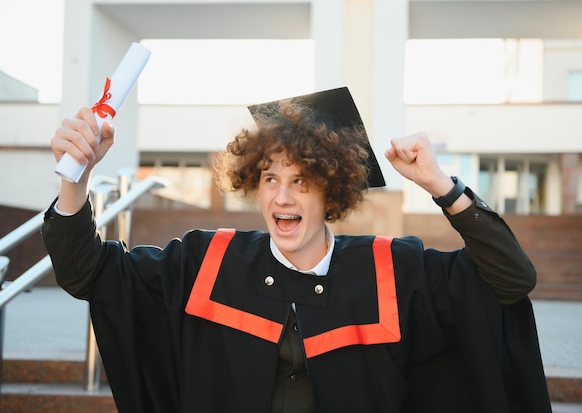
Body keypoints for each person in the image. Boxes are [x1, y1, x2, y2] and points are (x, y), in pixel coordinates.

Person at [42, 87, 552, 413]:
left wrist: (442, 185)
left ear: (332, 191)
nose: (282, 197)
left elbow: (510, 280)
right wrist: (77, 179)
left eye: (302, 181)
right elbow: (87, 273)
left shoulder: (392, 269)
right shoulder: (206, 262)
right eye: (270, 178)